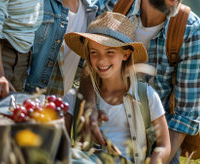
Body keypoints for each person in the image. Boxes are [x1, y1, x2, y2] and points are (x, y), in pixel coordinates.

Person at [80, 0, 200, 163]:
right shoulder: (112, 5)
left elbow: (185, 116)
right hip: (102, 130)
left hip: (159, 142)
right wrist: (89, 107)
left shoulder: (192, 32)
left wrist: (156, 158)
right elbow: (85, 65)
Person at [63, 12, 171, 163]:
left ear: (126, 54)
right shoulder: (75, 97)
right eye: (94, 52)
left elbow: (164, 146)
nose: (102, 60)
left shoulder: (146, 96)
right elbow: (62, 146)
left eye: (110, 52)